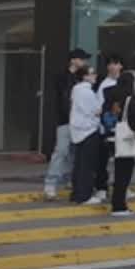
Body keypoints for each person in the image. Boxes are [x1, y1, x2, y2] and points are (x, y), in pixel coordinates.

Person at [45, 49, 90, 201]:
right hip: (65, 120)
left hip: (78, 121)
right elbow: (62, 99)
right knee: (62, 151)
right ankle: (51, 184)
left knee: (74, 153)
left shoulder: (81, 78)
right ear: (73, 60)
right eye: (82, 59)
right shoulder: (62, 77)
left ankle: (70, 180)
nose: (84, 62)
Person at [95, 54, 134, 199]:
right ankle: (101, 187)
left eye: (115, 63)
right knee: (103, 160)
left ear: (121, 66)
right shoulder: (104, 85)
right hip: (107, 128)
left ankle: (122, 187)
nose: (112, 66)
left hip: (123, 128)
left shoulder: (125, 84)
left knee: (123, 161)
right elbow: (100, 107)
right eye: (110, 64)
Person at [68, 67, 105, 204]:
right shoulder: (87, 92)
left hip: (77, 130)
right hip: (88, 130)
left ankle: (76, 193)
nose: (95, 75)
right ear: (84, 76)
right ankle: (84, 195)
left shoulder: (76, 90)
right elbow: (96, 110)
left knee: (79, 164)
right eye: (92, 73)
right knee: (87, 166)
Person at [103, 89, 135, 217]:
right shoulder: (130, 100)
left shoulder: (115, 97)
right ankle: (119, 206)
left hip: (116, 140)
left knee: (119, 173)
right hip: (127, 142)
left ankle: (118, 203)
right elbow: (134, 123)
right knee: (125, 174)